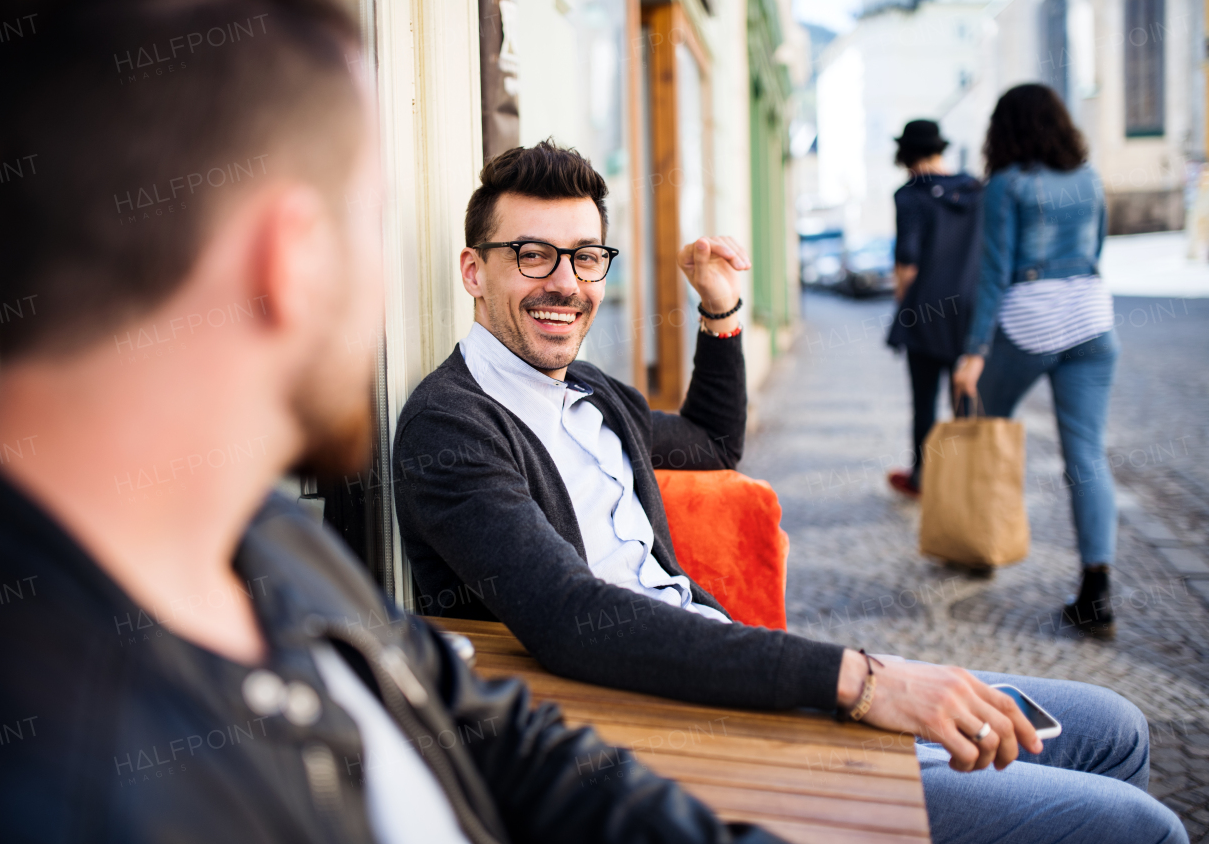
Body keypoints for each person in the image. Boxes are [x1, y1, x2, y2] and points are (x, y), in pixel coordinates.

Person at [0, 0, 793, 842]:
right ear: (295, 257)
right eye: (370, 223)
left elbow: (504, 742)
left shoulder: (255, 528)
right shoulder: (55, 788)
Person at [392, 141, 1187, 844]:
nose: (565, 283)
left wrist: (719, 308)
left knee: (1115, 726)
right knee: (1141, 827)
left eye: (586, 257)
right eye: (532, 255)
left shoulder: (592, 391)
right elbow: (570, 618)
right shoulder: (450, 426)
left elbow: (710, 444)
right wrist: (865, 679)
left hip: (724, 667)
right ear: (474, 269)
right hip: (653, 731)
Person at [952, 84, 1120, 639]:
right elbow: (1095, 249)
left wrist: (974, 353)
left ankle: (978, 545)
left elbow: (994, 274)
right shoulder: (1090, 177)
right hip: (1092, 320)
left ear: (1005, 131)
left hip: (1030, 320)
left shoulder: (1006, 185)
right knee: (1087, 454)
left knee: (981, 422)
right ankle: (1097, 591)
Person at [884, 120, 984, 499]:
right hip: (972, 309)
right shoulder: (976, 190)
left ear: (905, 155)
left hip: (926, 313)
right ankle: (967, 480)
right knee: (966, 397)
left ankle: (922, 478)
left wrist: (901, 303)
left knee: (924, 401)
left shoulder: (909, 195)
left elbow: (907, 262)